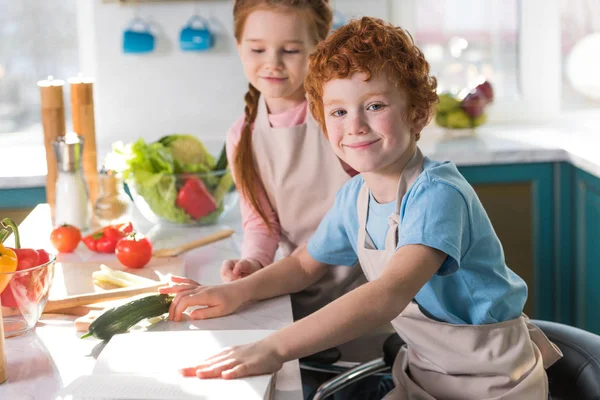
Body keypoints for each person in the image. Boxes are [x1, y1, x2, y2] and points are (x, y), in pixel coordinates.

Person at [161, 16, 562, 399]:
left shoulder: (438, 194)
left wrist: (275, 348)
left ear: (417, 112)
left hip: (495, 381)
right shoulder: (355, 196)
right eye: (338, 111)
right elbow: (304, 265)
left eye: (374, 106)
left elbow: (388, 293)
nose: (354, 125)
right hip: (425, 374)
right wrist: (237, 293)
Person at [220, 0, 365, 321]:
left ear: (320, 48)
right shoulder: (242, 136)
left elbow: (380, 200)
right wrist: (254, 263)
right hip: (298, 287)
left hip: (364, 287)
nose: (273, 63)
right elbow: (261, 222)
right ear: (239, 46)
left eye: (290, 51)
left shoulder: (341, 115)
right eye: (258, 50)